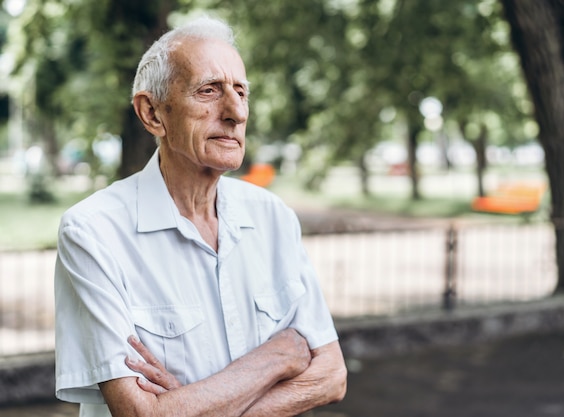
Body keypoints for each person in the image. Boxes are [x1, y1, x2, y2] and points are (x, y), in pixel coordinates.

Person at [54, 15, 347, 417]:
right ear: (153, 114)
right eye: (209, 91)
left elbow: (331, 377)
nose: (235, 113)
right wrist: (277, 357)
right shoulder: (93, 231)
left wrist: (192, 406)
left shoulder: (273, 217)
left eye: (241, 92)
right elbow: (143, 414)